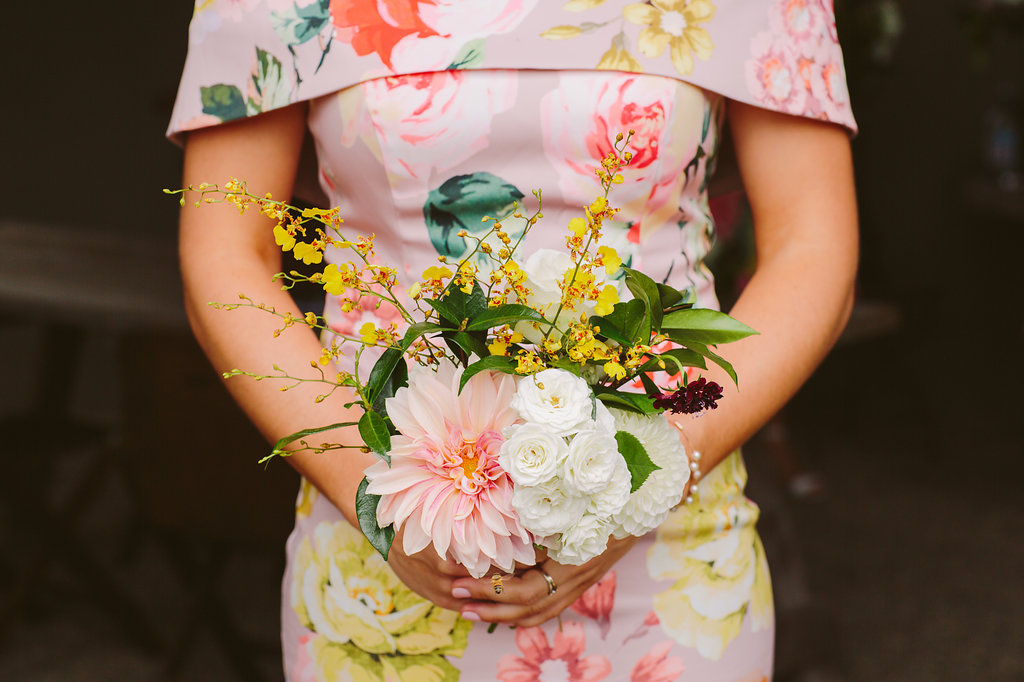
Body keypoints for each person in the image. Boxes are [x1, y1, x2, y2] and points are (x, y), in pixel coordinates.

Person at [168, 2, 858, 679]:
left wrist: (643, 487)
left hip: (670, 542)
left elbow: (813, 248)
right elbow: (227, 258)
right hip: (388, 543)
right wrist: (378, 506)